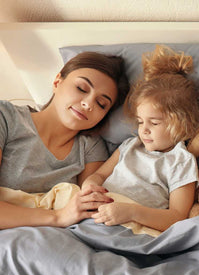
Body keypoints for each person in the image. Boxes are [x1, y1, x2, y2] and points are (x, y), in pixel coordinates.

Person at [0, 51, 129, 230]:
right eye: (82, 88)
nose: (88, 104)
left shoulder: (91, 147)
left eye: (101, 104)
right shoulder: (6, 118)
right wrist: (58, 217)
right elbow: (65, 216)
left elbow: (90, 211)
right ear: (57, 81)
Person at [81, 45, 199, 232]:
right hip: (97, 215)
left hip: (133, 225)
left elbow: (176, 217)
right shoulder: (130, 145)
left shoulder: (180, 161)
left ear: (181, 124)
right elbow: (100, 175)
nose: (143, 130)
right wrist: (91, 183)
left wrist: (131, 212)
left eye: (154, 123)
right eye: (140, 122)